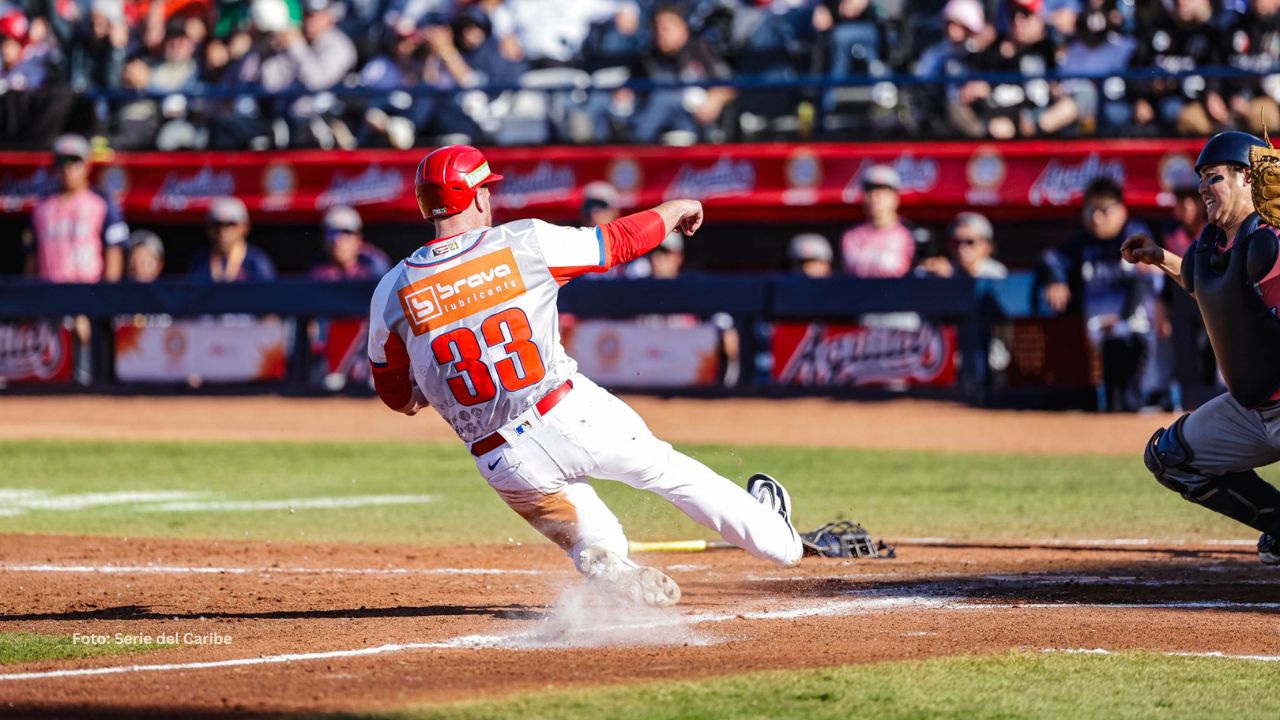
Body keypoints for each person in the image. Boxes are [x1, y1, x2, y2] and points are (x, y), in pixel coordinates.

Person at [367, 145, 802, 606]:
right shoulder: (522, 242)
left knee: (595, 541)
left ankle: (609, 563)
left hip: (502, 459)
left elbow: (395, 394)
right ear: (475, 198)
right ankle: (782, 542)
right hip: (566, 410)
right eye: (486, 190)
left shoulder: (392, 289)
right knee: (669, 473)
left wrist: (421, 394)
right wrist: (674, 208)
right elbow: (616, 243)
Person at [1121, 131, 1280, 566]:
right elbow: (1209, 290)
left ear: (1248, 177)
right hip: (1251, 408)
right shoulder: (1211, 246)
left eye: (1214, 177)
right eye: (1201, 179)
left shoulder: (1271, 239)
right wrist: (1160, 258)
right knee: (1172, 458)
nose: (1202, 189)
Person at [1041, 176, 1154, 410]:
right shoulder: (1082, 242)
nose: (1096, 218)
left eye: (1104, 210)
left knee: (1130, 394)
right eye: (1090, 210)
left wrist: (1122, 318)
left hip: (1136, 330)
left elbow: (1141, 281)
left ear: (1121, 211)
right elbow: (1052, 259)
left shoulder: (1134, 235)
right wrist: (1056, 280)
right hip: (1097, 335)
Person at [25, 134, 128, 283]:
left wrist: (108, 297)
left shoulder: (101, 203)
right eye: (62, 162)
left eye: (75, 161)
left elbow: (114, 251)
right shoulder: (41, 207)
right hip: (49, 294)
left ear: (87, 164)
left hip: (88, 293)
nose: (68, 168)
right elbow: (32, 257)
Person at [840, 164, 914, 278]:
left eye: (882, 192)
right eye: (870, 191)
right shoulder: (850, 236)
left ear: (896, 197)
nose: (875, 198)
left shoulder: (910, 234)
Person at [190, 197, 277, 282]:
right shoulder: (199, 261)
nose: (223, 231)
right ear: (208, 228)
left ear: (244, 227)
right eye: (217, 225)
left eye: (231, 224)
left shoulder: (257, 262)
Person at [917, 212, 1008, 279]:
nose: (961, 248)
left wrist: (951, 278)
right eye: (956, 242)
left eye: (970, 242)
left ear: (987, 246)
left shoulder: (996, 273)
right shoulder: (940, 270)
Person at [309, 206, 390, 280]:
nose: (337, 240)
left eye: (345, 233)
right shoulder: (317, 271)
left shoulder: (374, 267)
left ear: (358, 238)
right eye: (331, 233)